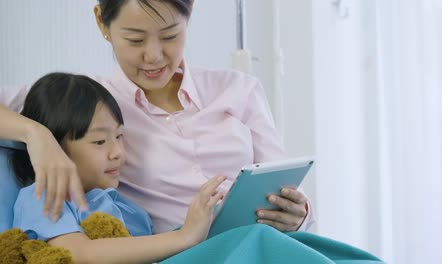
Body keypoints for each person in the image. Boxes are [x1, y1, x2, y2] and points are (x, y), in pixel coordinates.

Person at [0, 0, 314, 234]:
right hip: (181, 252)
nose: (154, 56)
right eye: (135, 40)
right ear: (102, 23)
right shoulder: (86, 100)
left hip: (261, 242)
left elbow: (285, 185)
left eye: (169, 36)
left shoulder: (238, 89)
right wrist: (35, 134)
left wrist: (298, 213)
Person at [11, 72, 226, 263]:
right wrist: (183, 236)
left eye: (119, 136)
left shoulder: (129, 207)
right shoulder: (44, 196)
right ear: (54, 148)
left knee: (245, 236)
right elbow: (78, 254)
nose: (118, 153)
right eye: (99, 142)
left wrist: (200, 223)